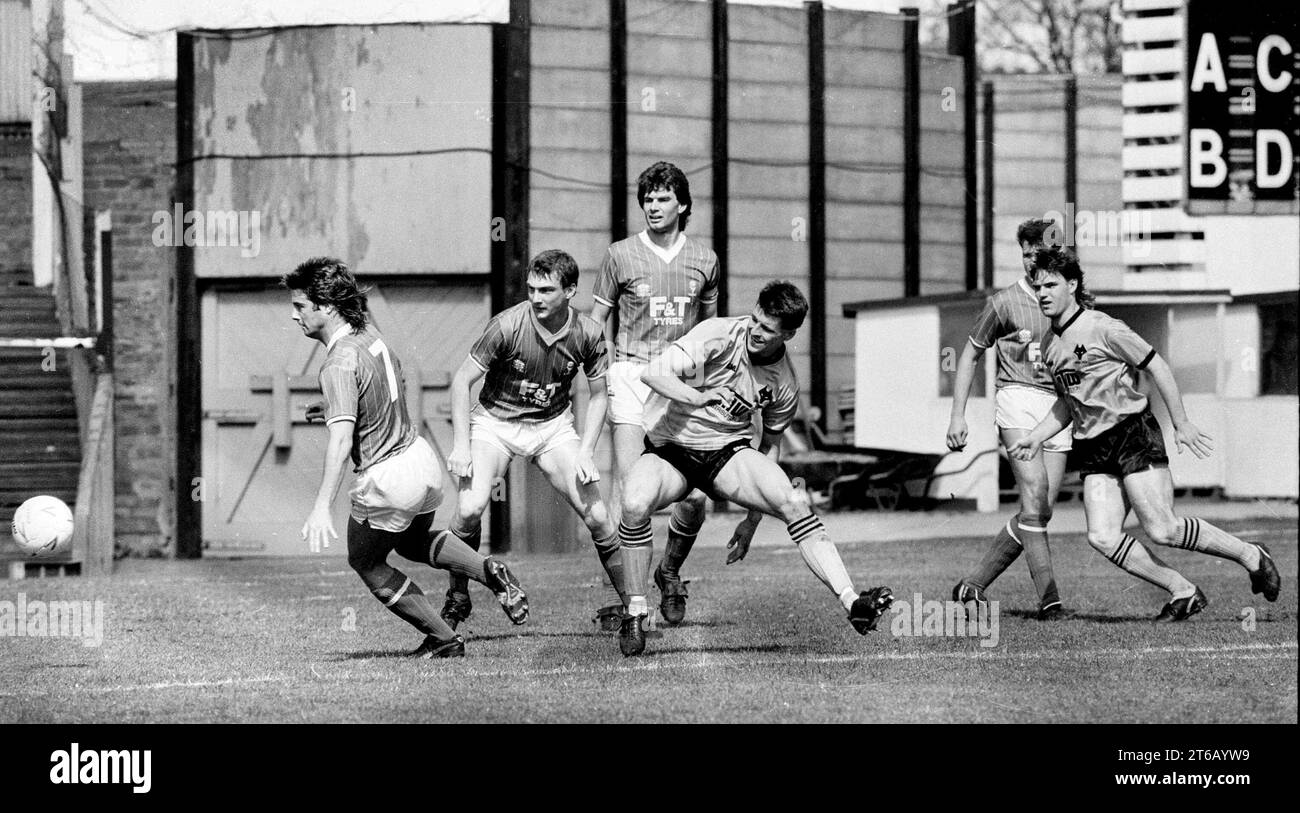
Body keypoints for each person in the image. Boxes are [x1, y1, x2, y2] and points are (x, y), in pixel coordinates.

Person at [614, 280, 894, 656]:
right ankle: (635, 611)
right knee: (633, 504)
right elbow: (653, 373)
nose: (756, 332)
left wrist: (752, 520)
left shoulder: (785, 382)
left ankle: (852, 602)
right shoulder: (718, 333)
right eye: (756, 320)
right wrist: (700, 396)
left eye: (768, 329)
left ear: (789, 334)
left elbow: (771, 446)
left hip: (726, 452)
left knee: (793, 503)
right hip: (672, 447)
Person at [1009, 247, 1281, 621]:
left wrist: (1181, 422)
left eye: (1051, 285)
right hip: (1092, 446)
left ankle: (1251, 555)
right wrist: (1037, 436)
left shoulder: (1104, 327)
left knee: (1163, 528)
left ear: (1072, 285)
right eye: (1037, 286)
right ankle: (1183, 591)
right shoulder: (1050, 346)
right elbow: (1066, 403)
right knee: (1102, 536)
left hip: (1132, 434)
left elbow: (1159, 367)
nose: (1042, 293)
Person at [285, 257, 528, 659]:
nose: (293, 315)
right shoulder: (369, 334)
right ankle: (487, 570)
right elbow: (383, 381)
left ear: (325, 306)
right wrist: (330, 405)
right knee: (413, 543)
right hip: (420, 460)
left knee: (366, 560)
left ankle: (445, 639)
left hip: (388, 480)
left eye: (300, 306)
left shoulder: (337, 362)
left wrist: (320, 507)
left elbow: (341, 443)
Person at [589, 161, 756, 629]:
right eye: (647, 199)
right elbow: (594, 323)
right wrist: (598, 373)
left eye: (662, 199)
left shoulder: (706, 260)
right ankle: (633, 603)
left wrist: (716, 382)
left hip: (683, 382)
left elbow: (712, 330)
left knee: (695, 499)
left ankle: (670, 572)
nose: (652, 207)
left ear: (682, 205)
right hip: (629, 376)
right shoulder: (620, 255)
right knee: (631, 497)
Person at [438, 249, 625, 629]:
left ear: (571, 291)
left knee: (599, 516)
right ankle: (458, 594)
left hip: (552, 427)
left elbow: (601, 394)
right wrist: (461, 443)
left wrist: (587, 451)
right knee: (471, 508)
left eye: (546, 290)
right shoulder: (506, 325)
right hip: (496, 423)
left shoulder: (588, 332)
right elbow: (461, 381)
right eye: (531, 289)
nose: (536, 298)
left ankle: (633, 605)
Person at [946, 218, 1068, 620]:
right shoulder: (1003, 302)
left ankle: (972, 585)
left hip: (1057, 406)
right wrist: (957, 415)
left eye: (1040, 253)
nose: (1032, 261)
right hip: (1016, 399)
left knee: (1042, 509)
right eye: (1027, 253)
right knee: (1033, 495)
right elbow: (969, 354)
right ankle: (1050, 601)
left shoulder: (1069, 300)